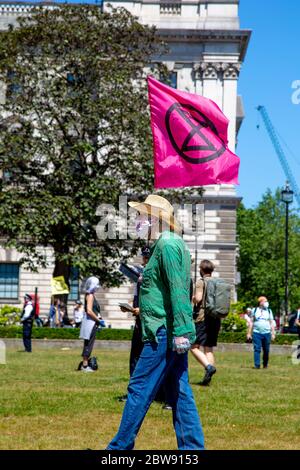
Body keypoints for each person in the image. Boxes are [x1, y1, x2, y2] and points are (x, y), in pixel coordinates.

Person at [107, 194, 204, 450]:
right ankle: (193, 450)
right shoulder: (167, 244)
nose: (137, 220)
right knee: (179, 391)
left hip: (164, 332)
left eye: (141, 215)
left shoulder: (168, 245)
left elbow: (178, 290)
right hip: (166, 330)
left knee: (139, 387)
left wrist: (183, 330)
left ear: (154, 218)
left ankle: (119, 449)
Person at [190, 260, 220, 386]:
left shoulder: (201, 281)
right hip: (215, 318)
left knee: (193, 347)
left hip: (202, 318)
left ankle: (208, 367)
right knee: (208, 349)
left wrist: (192, 298)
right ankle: (208, 377)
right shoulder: (217, 282)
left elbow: (198, 298)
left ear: (201, 270)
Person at [79, 277, 103, 372]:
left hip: (92, 321)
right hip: (90, 322)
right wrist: (98, 320)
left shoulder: (90, 295)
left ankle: (85, 364)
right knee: (88, 343)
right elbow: (89, 311)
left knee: (89, 343)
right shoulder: (90, 295)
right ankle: (85, 366)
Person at [247, 296, 276, 369]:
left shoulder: (269, 311)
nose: (267, 303)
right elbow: (251, 322)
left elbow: (271, 322)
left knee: (266, 350)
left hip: (267, 333)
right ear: (260, 302)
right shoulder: (255, 310)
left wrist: (273, 333)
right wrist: (249, 333)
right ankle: (257, 365)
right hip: (256, 333)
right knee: (257, 349)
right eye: (265, 301)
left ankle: (265, 364)